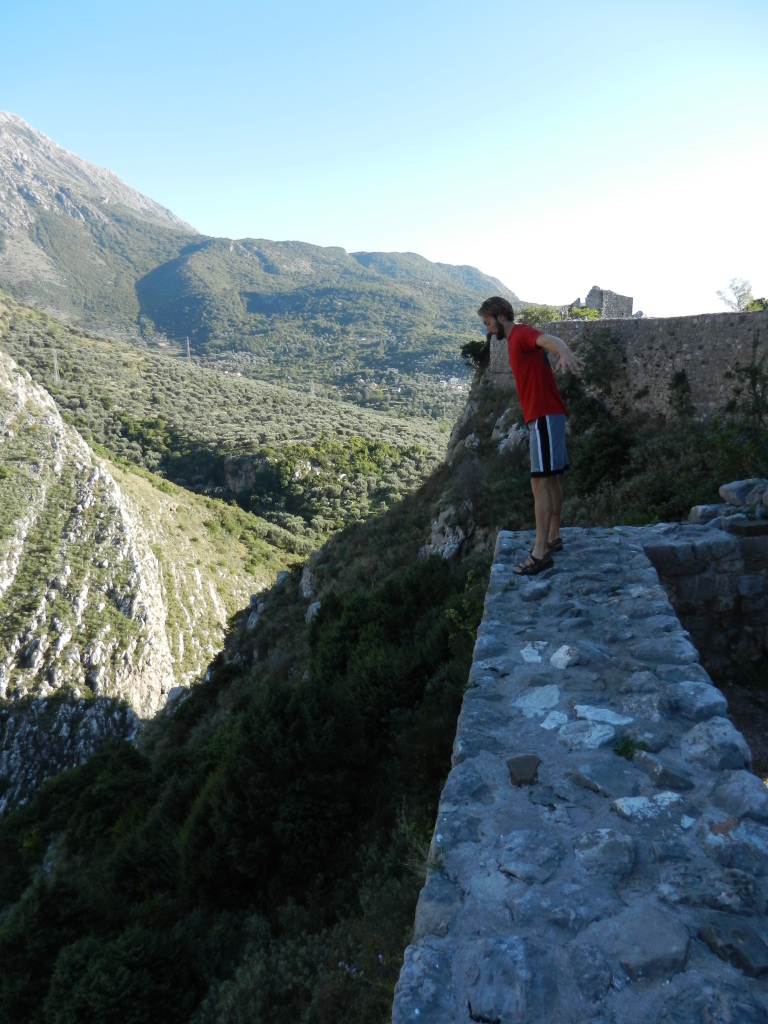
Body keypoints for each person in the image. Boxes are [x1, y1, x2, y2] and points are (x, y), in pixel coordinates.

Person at [478, 296, 583, 576]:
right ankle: (553, 536)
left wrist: (565, 352)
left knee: (539, 484)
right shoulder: (514, 341)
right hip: (548, 415)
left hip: (544, 415)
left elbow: (548, 340)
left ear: (501, 317)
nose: (487, 330)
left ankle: (540, 553)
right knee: (551, 479)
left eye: (488, 323)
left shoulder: (522, 333)